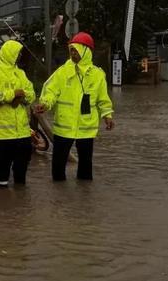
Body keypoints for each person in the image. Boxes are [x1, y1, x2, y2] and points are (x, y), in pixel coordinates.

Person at [34, 32, 115, 181]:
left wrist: (107, 116)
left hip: (86, 128)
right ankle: (59, 198)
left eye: (75, 50)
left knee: (85, 166)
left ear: (86, 51)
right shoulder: (62, 72)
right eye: (71, 50)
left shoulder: (97, 75)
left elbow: (103, 99)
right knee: (58, 166)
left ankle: (84, 198)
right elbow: (51, 92)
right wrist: (45, 104)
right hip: (64, 127)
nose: (72, 53)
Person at [0, 40, 35, 187]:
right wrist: (11, 94)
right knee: (2, 181)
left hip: (22, 133)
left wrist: (24, 95)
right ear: (10, 54)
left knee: (21, 178)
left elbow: (31, 93)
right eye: (18, 53)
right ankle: (2, 208)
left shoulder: (21, 74)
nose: (19, 56)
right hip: (2, 135)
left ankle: (19, 207)